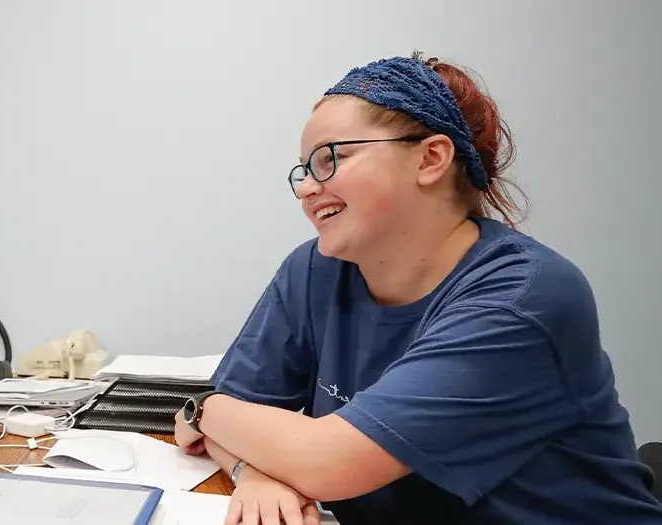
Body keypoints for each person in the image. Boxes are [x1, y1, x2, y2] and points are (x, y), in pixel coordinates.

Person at [173, 53, 662, 524]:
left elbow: (323, 460)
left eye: (329, 159)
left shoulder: (523, 297)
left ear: (430, 158)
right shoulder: (315, 270)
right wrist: (253, 473)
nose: (305, 188)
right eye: (303, 171)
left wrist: (204, 409)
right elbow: (237, 418)